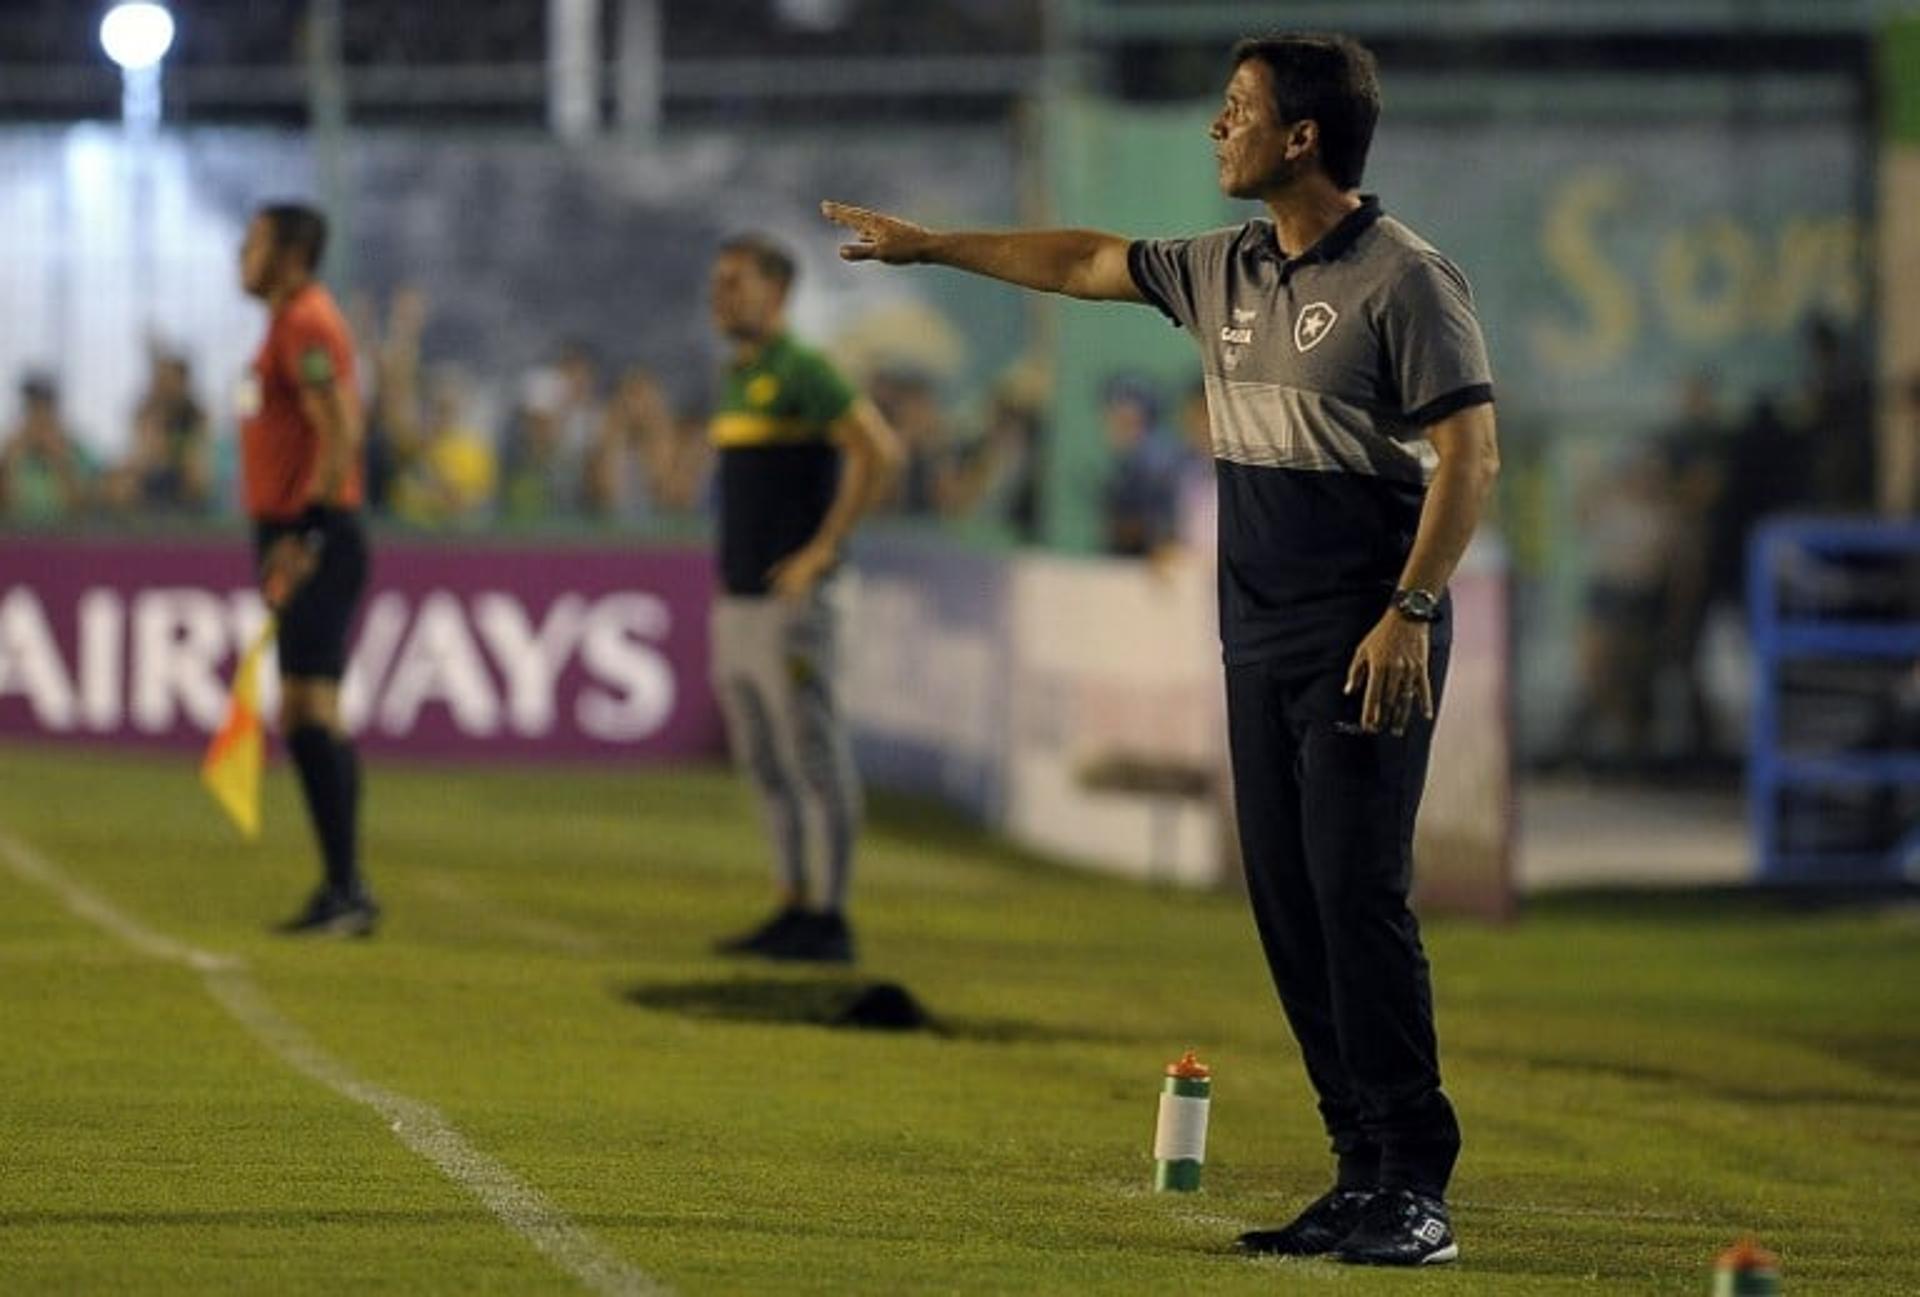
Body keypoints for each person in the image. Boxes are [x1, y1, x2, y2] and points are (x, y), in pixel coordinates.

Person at [824, 30, 1498, 1267]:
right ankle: (1358, 1167)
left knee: (1359, 897)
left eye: (1235, 109)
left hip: (1366, 637)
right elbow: (1083, 257)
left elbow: (1471, 454)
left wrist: (1410, 611)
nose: (1214, 128)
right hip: (1260, 642)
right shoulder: (1223, 267)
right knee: (1291, 907)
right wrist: (932, 246)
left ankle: (1417, 1180)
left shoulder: (1405, 277)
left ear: (1301, 138)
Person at [705, 233, 901, 964]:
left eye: (736, 282)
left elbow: (878, 450)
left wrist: (820, 552)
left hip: (793, 605)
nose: (720, 296)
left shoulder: (804, 369)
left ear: (778, 293)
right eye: (718, 283)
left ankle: (832, 911)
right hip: (740, 598)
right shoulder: (740, 375)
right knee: (763, 759)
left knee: (812, 752)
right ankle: (792, 901)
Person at [238, 202, 378, 937]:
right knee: (309, 709)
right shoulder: (292, 322)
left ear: (290, 254)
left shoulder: (305, 323)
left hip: (313, 534)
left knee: (309, 710)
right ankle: (345, 886)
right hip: (304, 530)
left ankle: (347, 889)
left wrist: (305, 534)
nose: (242, 253)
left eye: (254, 242)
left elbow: (342, 429)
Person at [0, 373, 96, 523]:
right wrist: (9, 465)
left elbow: (86, 510)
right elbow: (6, 507)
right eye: (32, 408)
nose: (39, 417)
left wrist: (61, 462)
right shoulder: (9, 451)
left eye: (45, 409)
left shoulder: (79, 452)